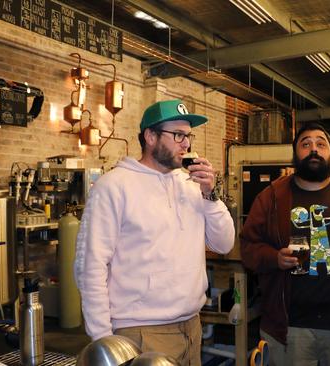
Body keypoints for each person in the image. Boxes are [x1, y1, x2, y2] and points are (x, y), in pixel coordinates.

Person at [74, 99, 235, 365]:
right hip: (139, 332)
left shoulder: (191, 184)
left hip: (191, 326)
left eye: (188, 135)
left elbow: (224, 243)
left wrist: (211, 195)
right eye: (178, 135)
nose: (186, 144)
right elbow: (90, 265)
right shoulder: (113, 186)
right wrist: (103, 339)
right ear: (150, 136)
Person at [240, 123, 330, 366]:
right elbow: (248, 247)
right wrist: (274, 258)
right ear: (295, 154)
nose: (313, 149)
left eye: (321, 144)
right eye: (305, 144)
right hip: (289, 330)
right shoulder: (271, 196)